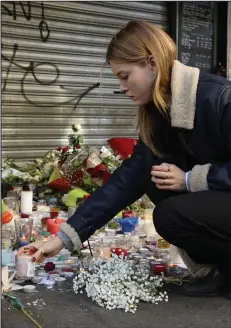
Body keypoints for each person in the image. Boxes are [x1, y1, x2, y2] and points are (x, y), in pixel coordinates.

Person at [18, 20, 231, 299]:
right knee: (155, 177)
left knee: (170, 212)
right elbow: (127, 179)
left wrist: (191, 179)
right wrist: (64, 237)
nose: (122, 86)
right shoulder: (158, 111)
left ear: (152, 63)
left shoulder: (218, 98)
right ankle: (222, 269)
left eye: (125, 75)